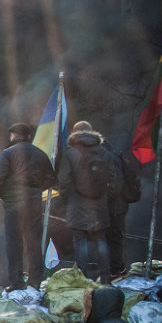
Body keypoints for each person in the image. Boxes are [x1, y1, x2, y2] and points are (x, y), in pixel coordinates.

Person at [0, 121, 56, 291]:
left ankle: (16, 282)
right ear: (28, 136)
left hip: (13, 204)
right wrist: (35, 190)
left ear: (12, 136)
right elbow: (51, 179)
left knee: (14, 242)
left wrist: (5, 194)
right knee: (34, 241)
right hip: (33, 203)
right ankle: (35, 280)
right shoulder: (40, 154)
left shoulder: (7, 154)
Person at [58, 121, 115, 283]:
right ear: (92, 132)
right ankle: (105, 276)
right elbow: (113, 179)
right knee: (101, 239)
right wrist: (106, 197)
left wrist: (66, 198)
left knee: (79, 240)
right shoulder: (105, 152)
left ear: (74, 134)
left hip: (77, 203)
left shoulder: (70, 153)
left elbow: (64, 180)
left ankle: (81, 277)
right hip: (100, 204)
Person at [105, 146, 141, 277]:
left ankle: (115, 269)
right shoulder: (114, 153)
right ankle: (116, 268)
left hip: (114, 204)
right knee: (114, 237)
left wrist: (106, 197)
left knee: (113, 237)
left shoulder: (108, 156)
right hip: (117, 203)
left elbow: (116, 181)